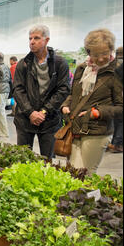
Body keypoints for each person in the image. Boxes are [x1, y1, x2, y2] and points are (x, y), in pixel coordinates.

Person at [61, 29, 123, 174]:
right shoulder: (82, 69)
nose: (101, 59)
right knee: (72, 172)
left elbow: (121, 107)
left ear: (111, 50)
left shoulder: (117, 72)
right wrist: (65, 105)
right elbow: (73, 94)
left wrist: (98, 112)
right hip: (75, 127)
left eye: (104, 54)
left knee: (86, 173)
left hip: (97, 131)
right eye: (95, 54)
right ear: (89, 52)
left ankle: (86, 197)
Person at [13, 25, 70, 159]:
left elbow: (63, 89)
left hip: (49, 121)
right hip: (25, 119)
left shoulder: (59, 63)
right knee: (22, 159)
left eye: (36, 38)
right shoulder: (23, 64)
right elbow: (17, 89)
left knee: (48, 160)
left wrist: (44, 111)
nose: (32, 41)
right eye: (30, 38)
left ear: (47, 40)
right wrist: (31, 112)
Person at [107, 46, 123, 153]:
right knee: (121, 121)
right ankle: (116, 143)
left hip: (111, 97)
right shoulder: (119, 67)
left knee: (115, 121)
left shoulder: (111, 64)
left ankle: (112, 142)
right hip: (119, 96)